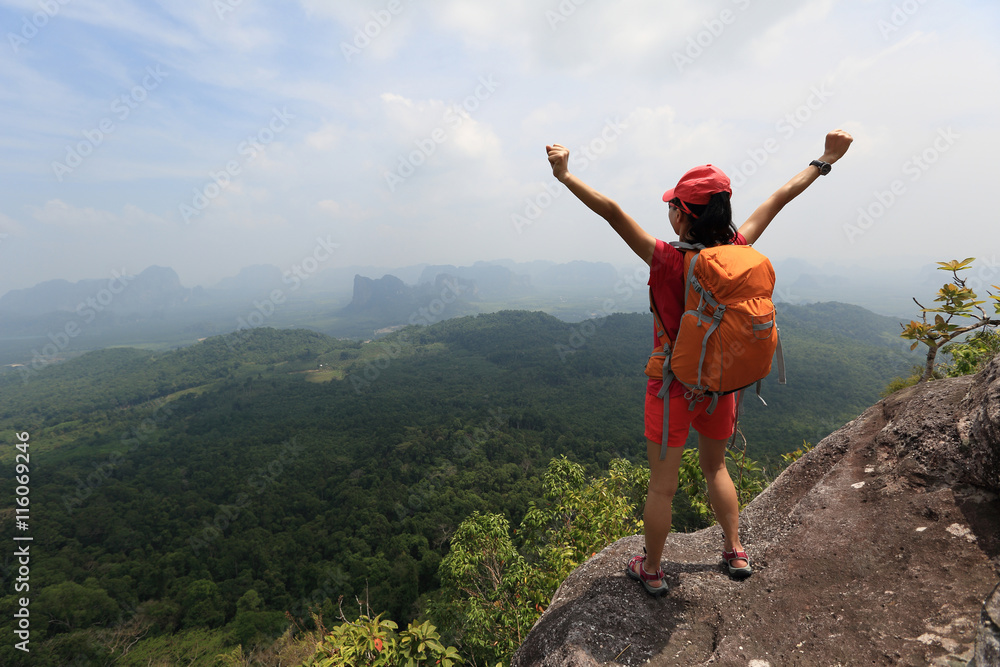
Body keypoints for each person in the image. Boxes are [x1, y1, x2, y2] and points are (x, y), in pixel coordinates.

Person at [545, 129, 853, 596]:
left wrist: (565, 175)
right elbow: (780, 196)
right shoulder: (739, 251)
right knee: (716, 468)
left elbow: (610, 211)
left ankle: (651, 569)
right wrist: (826, 158)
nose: (668, 211)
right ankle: (734, 550)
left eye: (672, 206)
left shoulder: (667, 260)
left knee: (662, 487)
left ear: (683, 214)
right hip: (720, 381)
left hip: (671, 384)